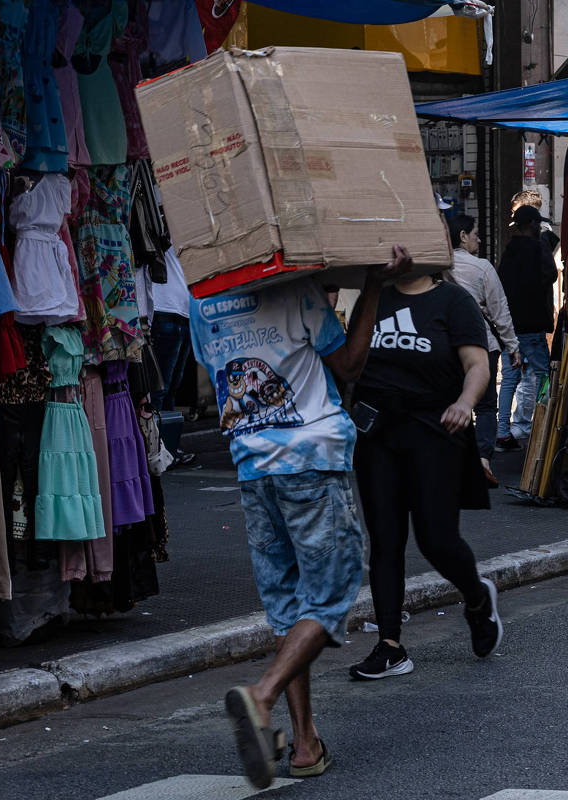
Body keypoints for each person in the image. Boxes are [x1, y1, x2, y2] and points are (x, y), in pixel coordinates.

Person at [190, 246, 411, 789]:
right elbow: (350, 364)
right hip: (309, 459)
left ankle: (305, 743)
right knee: (331, 595)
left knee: (289, 605)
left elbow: (213, 366)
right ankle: (260, 696)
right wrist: (373, 285)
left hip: (251, 465)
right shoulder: (294, 289)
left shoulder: (202, 299)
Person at [348, 269, 503, 681]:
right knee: (385, 538)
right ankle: (390, 646)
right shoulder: (374, 297)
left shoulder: (453, 301)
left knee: (436, 540)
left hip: (436, 431)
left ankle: (476, 598)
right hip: (378, 433)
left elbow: (477, 364)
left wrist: (464, 402)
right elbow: (351, 359)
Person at [446, 215, 522, 485]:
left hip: (446, 347)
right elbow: (499, 311)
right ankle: (482, 460)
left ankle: (451, 462)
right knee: (486, 406)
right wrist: (513, 346)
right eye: (475, 233)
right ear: (463, 236)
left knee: (450, 402)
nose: (478, 238)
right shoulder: (482, 268)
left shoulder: (438, 267)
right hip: (481, 345)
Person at [496, 204, 558, 450]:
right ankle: (544, 427)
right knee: (544, 375)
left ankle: (503, 432)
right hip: (532, 326)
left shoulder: (509, 250)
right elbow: (551, 275)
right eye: (537, 223)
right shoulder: (537, 247)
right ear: (531, 224)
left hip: (511, 327)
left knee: (510, 379)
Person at [150, 246, 197, 465]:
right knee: (161, 387)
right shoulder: (163, 223)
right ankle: (156, 448)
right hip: (165, 310)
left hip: (183, 312)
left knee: (172, 388)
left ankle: (167, 447)